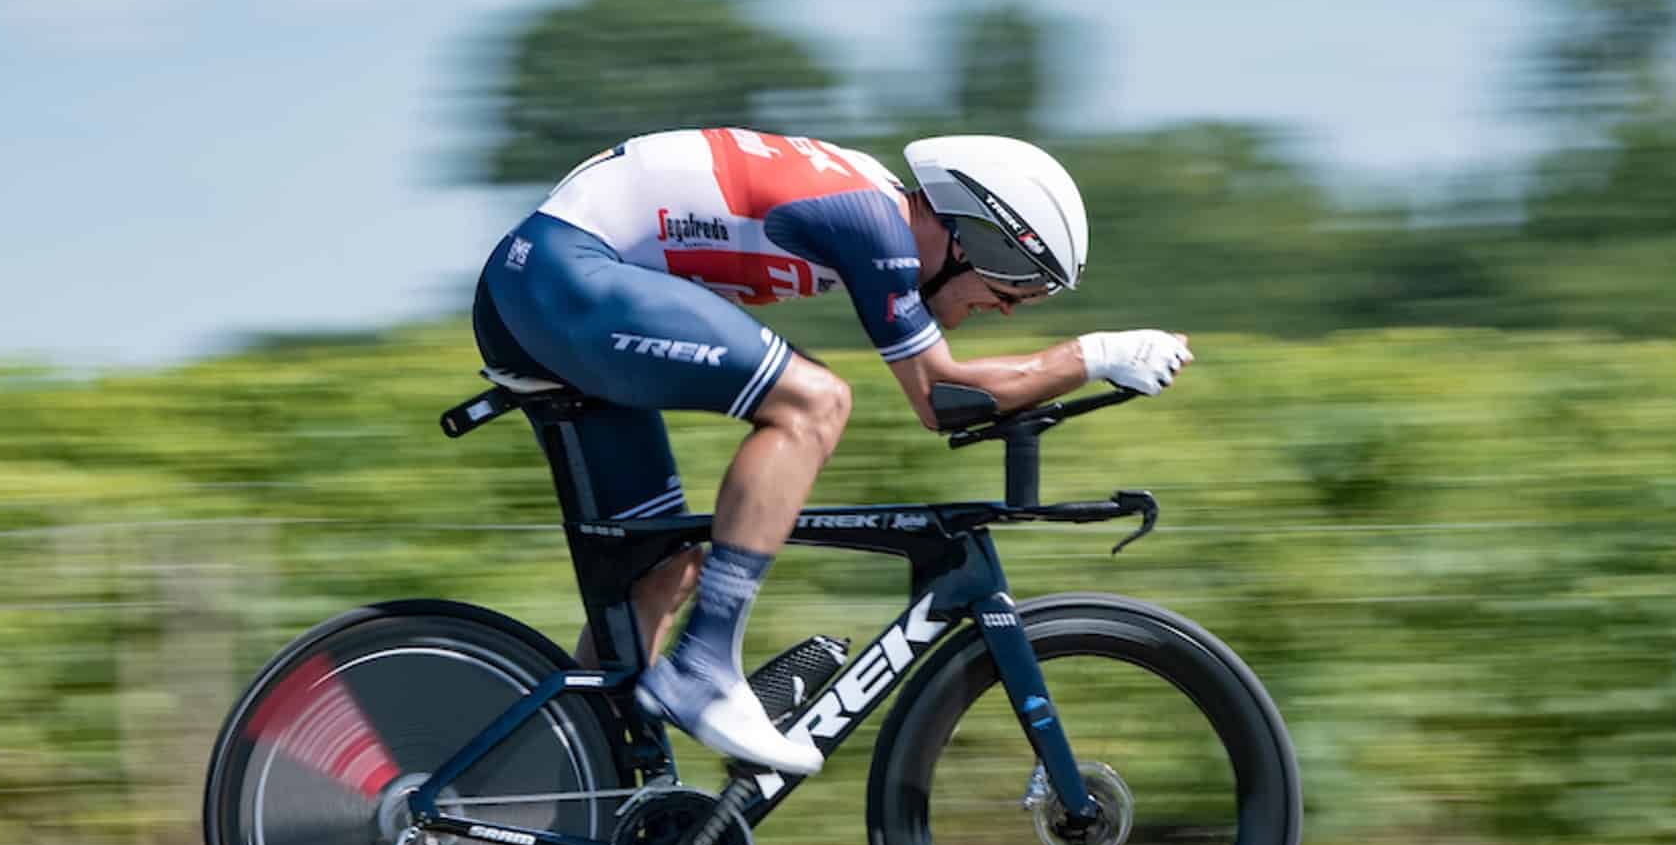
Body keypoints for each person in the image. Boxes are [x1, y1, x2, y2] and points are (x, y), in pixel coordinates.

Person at [472, 130, 1192, 777]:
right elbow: (940, 396)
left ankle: (557, 801)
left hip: (545, 285)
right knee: (816, 402)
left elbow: (955, 399)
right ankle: (704, 666)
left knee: (659, 574)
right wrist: (1094, 355)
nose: (1007, 309)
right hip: (562, 278)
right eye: (1015, 288)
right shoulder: (876, 225)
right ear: (978, 239)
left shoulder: (871, 209)